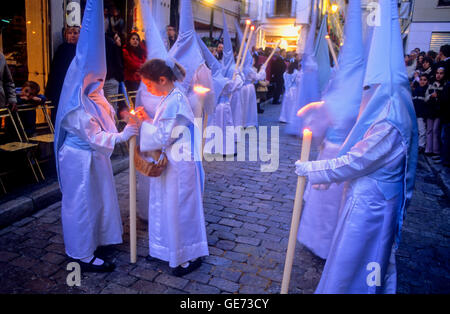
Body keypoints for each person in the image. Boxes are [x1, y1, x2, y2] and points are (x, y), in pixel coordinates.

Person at [295, 0, 417, 293]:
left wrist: (313, 169)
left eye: (371, 87)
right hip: (363, 199)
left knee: (356, 264)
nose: (366, 94)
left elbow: (358, 160)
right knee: (346, 260)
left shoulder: (391, 119)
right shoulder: (384, 107)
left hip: (373, 208)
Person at [54, 0, 139, 273]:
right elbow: (94, 135)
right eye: (93, 78)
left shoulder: (95, 93)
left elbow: (107, 120)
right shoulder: (74, 104)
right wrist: (123, 136)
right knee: (81, 204)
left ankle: (100, 239)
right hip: (79, 160)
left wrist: (124, 119)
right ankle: (81, 253)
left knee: (100, 199)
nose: (98, 84)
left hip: (95, 160)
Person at [135, 58, 209, 276]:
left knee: (179, 207)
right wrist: (147, 120)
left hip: (180, 160)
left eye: (149, 85)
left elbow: (162, 136)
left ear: (163, 79)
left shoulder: (175, 100)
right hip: (172, 158)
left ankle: (185, 256)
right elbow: (162, 128)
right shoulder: (168, 97)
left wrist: (141, 125)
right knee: (163, 204)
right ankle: (164, 249)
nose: (148, 89)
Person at [45, 26, 80, 123]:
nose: (72, 36)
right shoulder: (61, 49)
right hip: (59, 89)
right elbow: (54, 71)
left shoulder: (81, 50)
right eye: (70, 33)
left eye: (75, 33)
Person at [424, 67, 446, 161]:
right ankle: (429, 149)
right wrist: (430, 96)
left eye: (441, 73)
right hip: (430, 111)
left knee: (435, 130)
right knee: (429, 130)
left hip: (439, 112)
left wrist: (438, 96)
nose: (438, 75)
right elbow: (425, 98)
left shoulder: (445, 85)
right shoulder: (431, 85)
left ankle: (436, 150)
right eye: (437, 73)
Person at [104, 32, 124, 115]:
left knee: (110, 108)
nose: (118, 40)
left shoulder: (111, 44)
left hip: (110, 79)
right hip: (108, 79)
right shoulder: (110, 44)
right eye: (116, 38)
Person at [412, 74, 430, 153]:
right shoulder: (415, 90)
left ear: (427, 81)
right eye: (421, 79)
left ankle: (421, 146)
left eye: (424, 80)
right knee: (416, 131)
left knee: (422, 131)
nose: (422, 81)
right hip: (415, 114)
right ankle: (416, 145)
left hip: (422, 114)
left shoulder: (427, 90)